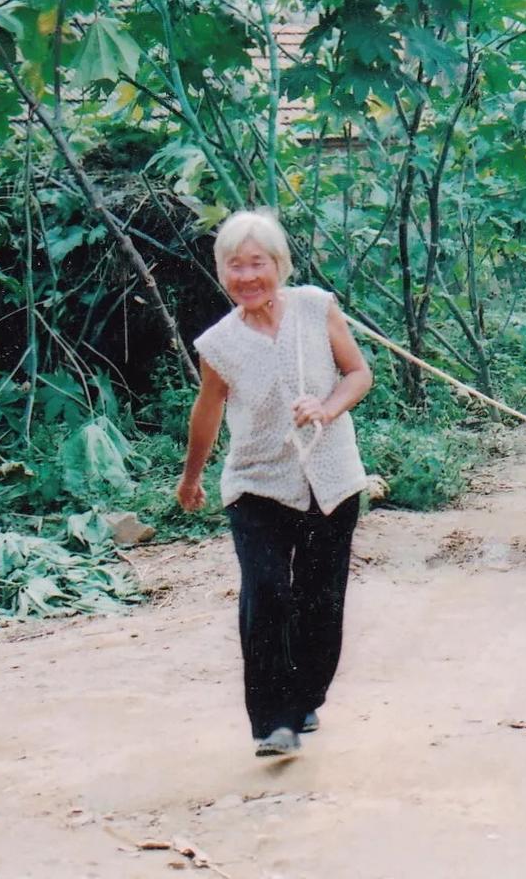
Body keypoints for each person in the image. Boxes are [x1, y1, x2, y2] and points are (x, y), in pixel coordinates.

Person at [176, 208, 372, 760]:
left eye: (256, 263)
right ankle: (273, 722)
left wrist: (327, 407)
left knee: (320, 598)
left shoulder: (316, 308)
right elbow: (207, 412)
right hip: (256, 482)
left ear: (278, 264)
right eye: (234, 266)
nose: (246, 277)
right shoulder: (218, 344)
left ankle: (306, 696)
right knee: (266, 593)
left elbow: (359, 373)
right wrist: (192, 477)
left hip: (331, 477)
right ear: (222, 272)